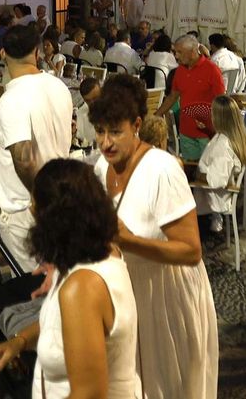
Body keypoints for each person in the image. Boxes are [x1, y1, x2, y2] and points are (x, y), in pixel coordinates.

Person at [89, 76, 218, 398]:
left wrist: (129, 241)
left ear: (136, 125)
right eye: (100, 131)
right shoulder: (99, 169)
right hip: (129, 296)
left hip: (166, 300)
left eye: (115, 131)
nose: (106, 143)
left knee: (168, 387)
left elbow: (191, 251)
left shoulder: (160, 169)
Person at [0, 159, 141, 398]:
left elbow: (89, 394)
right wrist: (20, 341)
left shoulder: (81, 288)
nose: (32, 213)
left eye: (36, 208)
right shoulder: (104, 252)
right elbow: (67, 325)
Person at [0, 24, 74, 271]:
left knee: (36, 292)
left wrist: (41, 200)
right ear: (37, 52)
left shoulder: (12, 100)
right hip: (59, 198)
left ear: (3, 54)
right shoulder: (58, 86)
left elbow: (24, 159)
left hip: (26, 209)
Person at [193, 96, 246, 242]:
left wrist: (196, 177)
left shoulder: (222, 146)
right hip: (212, 194)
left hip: (211, 198)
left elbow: (217, 179)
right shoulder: (231, 138)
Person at [164, 36, 225, 160]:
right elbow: (173, 96)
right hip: (186, 132)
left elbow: (221, 101)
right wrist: (157, 114)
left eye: (179, 52)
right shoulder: (180, 70)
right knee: (190, 173)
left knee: (208, 173)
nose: (176, 56)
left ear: (192, 52)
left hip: (207, 133)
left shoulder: (212, 70)